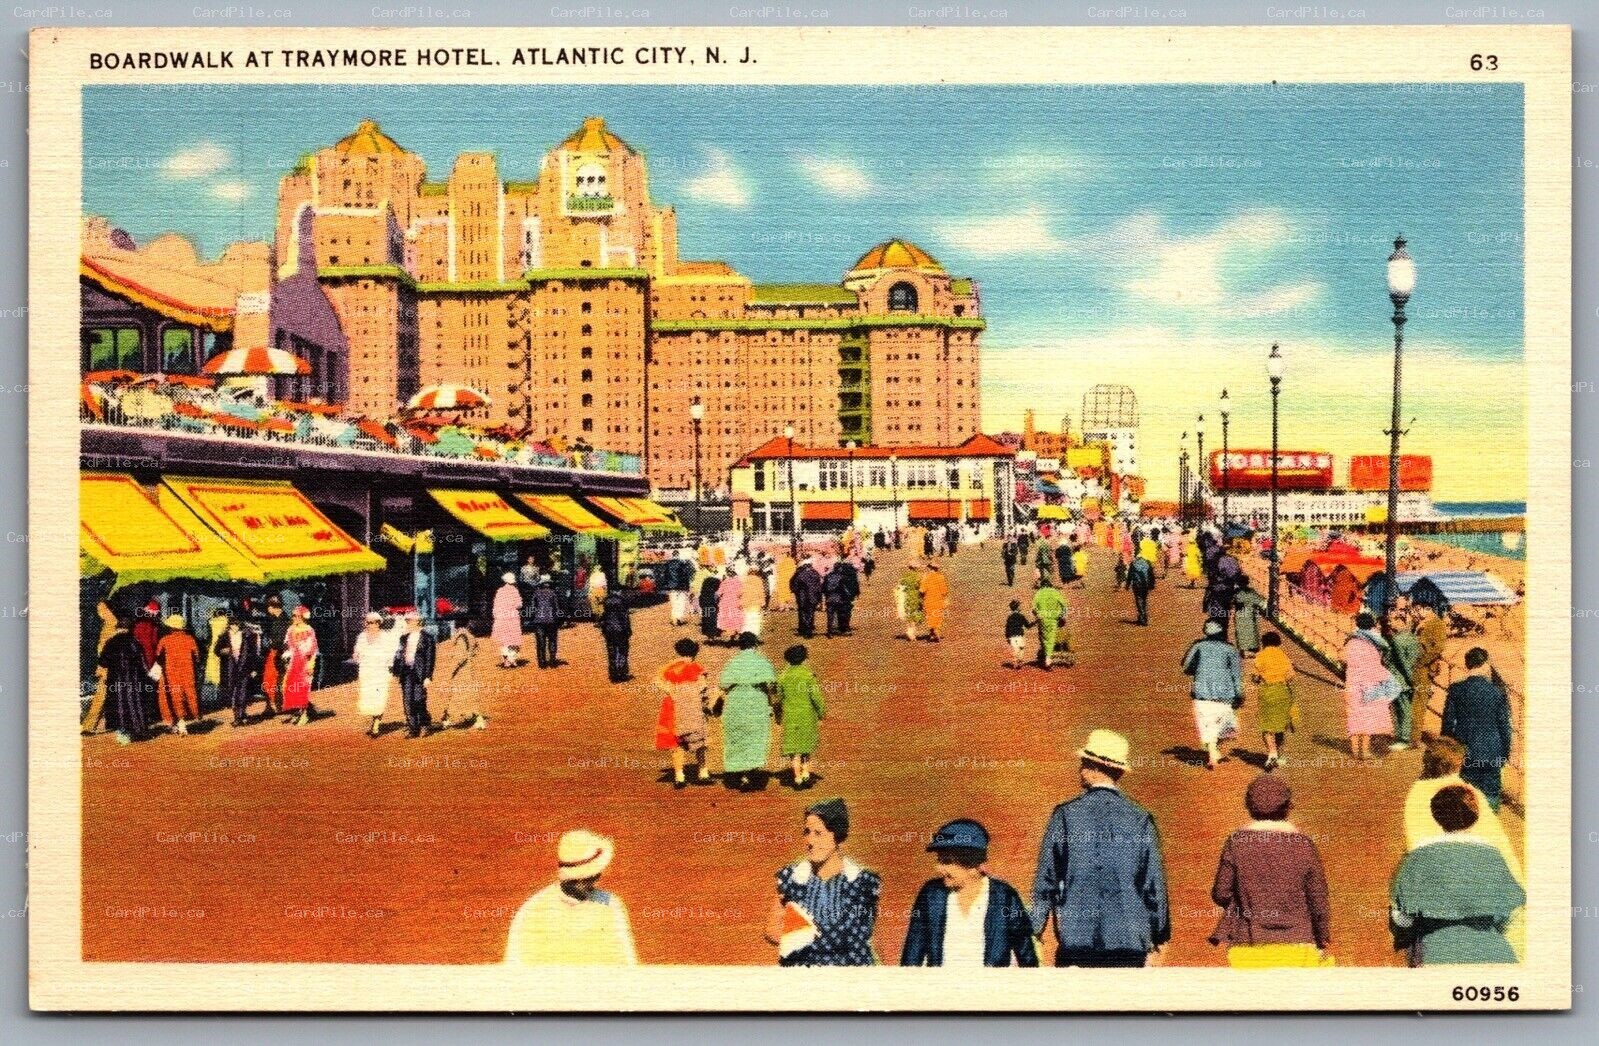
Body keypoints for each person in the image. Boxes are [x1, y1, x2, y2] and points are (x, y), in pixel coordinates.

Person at [1030, 730, 1170, 968]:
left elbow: (1046, 881)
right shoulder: (1140, 818)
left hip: (1075, 941)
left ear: (1093, 767)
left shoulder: (1065, 814)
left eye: (1083, 763)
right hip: (1129, 941)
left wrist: (1034, 928)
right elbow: (1153, 884)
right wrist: (1160, 936)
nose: (1080, 769)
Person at [1389, 785, 1524, 966]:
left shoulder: (1418, 857)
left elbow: (1402, 920)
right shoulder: (1492, 855)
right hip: (1497, 954)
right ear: (1475, 817)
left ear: (1436, 815)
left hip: (1434, 954)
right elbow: (1510, 914)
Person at [1209, 774, 1332, 967]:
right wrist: (1322, 934)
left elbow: (1220, 893)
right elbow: (1318, 899)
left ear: (1249, 806)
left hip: (1247, 943)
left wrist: (1243, 901)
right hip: (1298, 943)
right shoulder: (1304, 845)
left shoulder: (1237, 843)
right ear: (1287, 807)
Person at [900, 819, 1038, 968]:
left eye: (946, 862)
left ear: (973, 866)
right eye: (939, 860)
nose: (938, 868)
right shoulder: (931, 894)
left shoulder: (1005, 896)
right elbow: (911, 956)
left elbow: (1027, 958)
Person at [765, 799, 880, 966]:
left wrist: (802, 935)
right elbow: (771, 930)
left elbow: (859, 938)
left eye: (818, 833)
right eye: (807, 832)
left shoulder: (863, 882)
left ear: (837, 835)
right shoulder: (792, 878)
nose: (810, 841)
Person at [503, 830, 638, 965]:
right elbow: (515, 968)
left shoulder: (610, 903)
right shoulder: (533, 909)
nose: (596, 881)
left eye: (595, 876)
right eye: (590, 877)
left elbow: (625, 963)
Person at [1442, 647, 1513, 812]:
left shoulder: (1456, 689)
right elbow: (1505, 727)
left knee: (1466, 795)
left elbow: (1447, 724)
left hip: (1465, 752)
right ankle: (1490, 827)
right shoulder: (1497, 692)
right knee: (1491, 794)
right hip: (1492, 752)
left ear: (1467, 665)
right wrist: (1505, 754)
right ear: (1485, 664)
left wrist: (1448, 751)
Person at [718, 632, 778, 791]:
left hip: (736, 702)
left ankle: (741, 772)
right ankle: (750, 772)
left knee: (737, 735)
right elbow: (772, 685)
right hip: (756, 701)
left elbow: (723, 684)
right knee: (755, 735)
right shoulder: (762, 661)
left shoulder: (733, 661)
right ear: (755, 644)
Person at [1181, 619, 1243, 770]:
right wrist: (1239, 693)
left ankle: (1212, 751)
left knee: (1206, 724)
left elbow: (1186, 666)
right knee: (1226, 727)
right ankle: (1213, 751)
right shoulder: (1230, 649)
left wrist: (1196, 670)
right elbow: (1236, 673)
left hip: (1202, 692)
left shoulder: (1198, 646)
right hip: (1225, 693)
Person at [654, 637, 712, 788]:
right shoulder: (697, 668)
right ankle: (703, 772)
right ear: (694, 653)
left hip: (673, 706)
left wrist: (671, 691)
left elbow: (657, 680)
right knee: (700, 739)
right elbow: (703, 689)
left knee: (677, 742)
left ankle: (679, 776)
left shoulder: (670, 667)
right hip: (693, 706)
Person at [1342, 611, 1398, 762]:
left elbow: (1342, 658)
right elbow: (1379, 663)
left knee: (1354, 714)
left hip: (1353, 682)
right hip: (1369, 683)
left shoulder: (1351, 642)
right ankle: (1365, 751)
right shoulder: (1375, 643)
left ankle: (1354, 751)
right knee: (1367, 716)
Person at [776, 644, 826, 789]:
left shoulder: (783, 677)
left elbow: (778, 698)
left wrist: (778, 716)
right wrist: (822, 713)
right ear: (804, 659)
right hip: (807, 716)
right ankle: (806, 775)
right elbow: (816, 697)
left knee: (794, 752)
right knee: (806, 749)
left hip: (791, 716)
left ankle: (797, 778)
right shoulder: (808, 675)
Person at [98, 616, 153, 743]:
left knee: (117, 705)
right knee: (134, 704)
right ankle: (136, 730)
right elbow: (142, 664)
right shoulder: (135, 642)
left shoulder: (111, 642)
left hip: (115, 679)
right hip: (133, 680)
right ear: (130, 628)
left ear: (118, 628)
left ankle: (122, 734)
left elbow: (103, 662)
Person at [1250, 632, 1297, 770]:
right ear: (1278, 642)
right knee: (1280, 725)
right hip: (1282, 691)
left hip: (1267, 692)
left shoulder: (1260, 656)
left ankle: (1272, 753)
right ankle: (1278, 754)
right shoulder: (1283, 656)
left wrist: (1259, 678)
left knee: (1267, 725)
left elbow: (1255, 677)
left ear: (1263, 642)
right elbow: (1291, 676)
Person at [153, 613, 201, 735]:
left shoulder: (164, 640)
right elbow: (197, 658)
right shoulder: (190, 639)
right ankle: (183, 721)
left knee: (170, 698)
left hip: (170, 674)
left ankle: (176, 723)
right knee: (188, 695)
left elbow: (158, 658)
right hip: (188, 674)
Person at [390, 610, 436, 738]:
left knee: (419, 700)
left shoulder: (427, 638)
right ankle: (413, 728)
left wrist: (428, 676)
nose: (408, 623)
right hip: (406, 673)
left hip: (420, 674)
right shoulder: (404, 638)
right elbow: (398, 655)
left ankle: (425, 724)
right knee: (408, 701)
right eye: (407, 621)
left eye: (410, 621)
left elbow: (430, 658)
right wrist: (395, 669)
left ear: (417, 622)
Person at [212, 614, 262, 728]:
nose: (235, 627)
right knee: (233, 692)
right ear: (229, 625)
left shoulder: (247, 636)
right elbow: (216, 650)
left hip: (244, 667)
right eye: (233, 625)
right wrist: (224, 651)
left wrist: (254, 668)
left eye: (237, 625)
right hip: (230, 668)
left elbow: (253, 653)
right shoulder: (224, 636)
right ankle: (237, 716)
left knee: (244, 691)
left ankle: (241, 715)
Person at [351, 612, 396, 737]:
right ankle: (374, 720)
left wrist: (386, 665)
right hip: (366, 671)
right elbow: (357, 652)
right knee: (368, 698)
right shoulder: (361, 636)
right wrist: (356, 655)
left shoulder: (385, 637)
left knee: (379, 697)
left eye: (371, 623)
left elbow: (390, 654)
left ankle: (376, 724)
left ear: (378, 623)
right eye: (367, 622)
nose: (368, 625)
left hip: (380, 671)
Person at [1387, 607, 1423, 750]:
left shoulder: (1397, 640)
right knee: (1405, 709)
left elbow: (1403, 664)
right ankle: (1402, 737)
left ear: (1400, 621)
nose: (1389, 624)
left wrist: (1412, 682)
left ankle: (1403, 738)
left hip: (1399, 680)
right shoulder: (1412, 638)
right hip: (1407, 679)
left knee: (1402, 709)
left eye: (1391, 621)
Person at [280, 605, 320, 726]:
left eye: (298, 616)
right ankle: (300, 711)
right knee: (291, 687)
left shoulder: (309, 629)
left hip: (305, 662)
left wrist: (311, 664)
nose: (295, 618)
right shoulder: (290, 629)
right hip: (293, 662)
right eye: (293, 616)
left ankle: (304, 714)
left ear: (303, 617)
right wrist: (287, 661)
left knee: (303, 688)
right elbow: (287, 646)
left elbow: (313, 649)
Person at [258, 594, 289, 715]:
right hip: (274, 652)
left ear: (273, 607)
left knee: (276, 680)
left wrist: (271, 642)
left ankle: (279, 705)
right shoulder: (276, 619)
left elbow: (283, 640)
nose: (267, 610)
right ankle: (273, 704)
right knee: (269, 679)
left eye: (268, 607)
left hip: (280, 653)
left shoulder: (284, 620)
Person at [1031, 577, 1071, 670]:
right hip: (1053, 619)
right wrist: (1063, 617)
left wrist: (1038, 615)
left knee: (1043, 638)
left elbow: (1033, 609)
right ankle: (1048, 660)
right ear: (1050, 585)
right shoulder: (1056, 592)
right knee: (1051, 639)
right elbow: (1064, 606)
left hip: (1042, 619)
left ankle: (1045, 657)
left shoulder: (1039, 593)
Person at [597, 589, 633, 684]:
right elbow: (625, 617)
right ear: (619, 591)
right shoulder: (622, 600)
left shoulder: (606, 601)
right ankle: (622, 673)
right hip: (621, 630)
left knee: (611, 652)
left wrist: (603, 628)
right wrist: (629, 630)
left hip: (609, 630)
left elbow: (602, 618)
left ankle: (613, 674)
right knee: (622, 651)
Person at [527, 574, 562, 669]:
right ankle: (552, 661)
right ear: (549, 583)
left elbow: (532, 608)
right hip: (552, 620)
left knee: (540, 641)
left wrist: (531, 618)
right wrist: (559, 619)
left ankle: (542, 662)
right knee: (552, 640)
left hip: (539, 620)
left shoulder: (536, 593)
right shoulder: (553, 593)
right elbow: (557, 608)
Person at [492, 571, 524, 669]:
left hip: (501, 618)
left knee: (504, 641)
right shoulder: (515, 590)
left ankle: (506, 661)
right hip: (512, 617)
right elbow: (519, 604)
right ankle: (512, 659)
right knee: (513, 640)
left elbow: (495, 606)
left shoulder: (499, 591)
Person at [822, 558, 860, 637]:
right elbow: (843, 588)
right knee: (842, 613)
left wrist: (826, 595)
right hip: (839, 598)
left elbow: (823, 588)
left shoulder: (828, 576)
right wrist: (849, 595)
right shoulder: (843, 577)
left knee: (830, 616)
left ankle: (830, 631)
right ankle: (843, 628)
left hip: (829, 598)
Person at [790, 556, 824, 639]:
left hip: (801, 597)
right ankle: (809, 628)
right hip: (813, 596)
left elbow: (793, 583)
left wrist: (795, 592)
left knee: (802, 612)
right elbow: (819, 586)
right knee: (810, 612)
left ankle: (804, 629)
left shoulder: (798, 573)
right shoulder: (815, 573)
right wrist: (819, 598)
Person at [1232, 580, 1266, 655]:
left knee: (1241, 632)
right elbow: (1262, 602)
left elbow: (1232, 602)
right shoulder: (1252, 592)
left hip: (1239, 616)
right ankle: (1253, 650)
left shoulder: (1237, 593)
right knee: (1252, 632)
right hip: (1250, 615)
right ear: (1247, 583)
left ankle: (1243, 650)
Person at [918, 560, 949, 642]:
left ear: (930, 568)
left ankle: (933, 631)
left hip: (929, 600)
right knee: (937, 617)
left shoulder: (926, 578)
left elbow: (922, 590)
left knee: (930, 617)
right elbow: (944, 591)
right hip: (939, 601)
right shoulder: (941, 577)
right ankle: (934, 632)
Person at [1126, 551, 1156, 626]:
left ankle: (1142, 617)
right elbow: (1151, 575)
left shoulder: (1133, 563)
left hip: (1136, 585)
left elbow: (1129, 575)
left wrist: (1127, 584)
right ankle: (1143, 617)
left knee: (1138, 600)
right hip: (1145, 585)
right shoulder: (1147, 563)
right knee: (1144, 600)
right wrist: (1152, 585)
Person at [896, 562, 923, 642]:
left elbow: (900, 587)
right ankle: (911, 633)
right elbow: (921, 588)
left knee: (909, 615)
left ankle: (909, 631)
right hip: (915, 597)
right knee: (914, 616)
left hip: (907, 597)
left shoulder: (905, 577)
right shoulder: (918, 577)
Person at [716, 566, 745, 640]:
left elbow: (719, 593)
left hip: (725, 602)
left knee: (726, 619)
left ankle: (730, 634)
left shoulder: (725, 581)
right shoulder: (739, 582)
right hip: (735, 602)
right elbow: (741, 593)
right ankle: (734, 633)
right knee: (736, 618)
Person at [697, 563, 723, 643]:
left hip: (706, 603)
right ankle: (711, 636)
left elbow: (702, 592)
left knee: (707, 619)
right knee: (712, 619)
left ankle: (710, 636)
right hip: (712, 603)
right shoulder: (717, 581)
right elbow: (718, 594)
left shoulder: (706, 580)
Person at [1003, 599, 1031, 670]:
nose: (1020, 607)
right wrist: (1036, 621)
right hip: (1019, 635)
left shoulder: (1009, 617)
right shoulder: (1021, 616)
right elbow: (1028, 626)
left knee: (1015, 649)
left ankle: (1016, 662)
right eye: (1019, 606)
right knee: (1021, 648)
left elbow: (1007, 627)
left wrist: (1007, 637)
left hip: (1012, 636)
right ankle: (1019, 662)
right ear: (1017, 607)